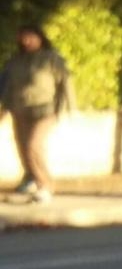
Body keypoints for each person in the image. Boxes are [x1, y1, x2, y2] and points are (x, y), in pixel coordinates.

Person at [1, 26, 75, 203]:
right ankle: (31, 179)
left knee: (34, 146)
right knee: (23, 148)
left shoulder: (52, 59)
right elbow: (6, 87)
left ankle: (46, 185)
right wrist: (4, 109)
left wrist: (70, 107)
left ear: (40, 38)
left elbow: (66, 81)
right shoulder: (14, 62)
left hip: (45, 110)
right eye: (23, 37)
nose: (27, 41)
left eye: (31, 37)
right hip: (20, 110)